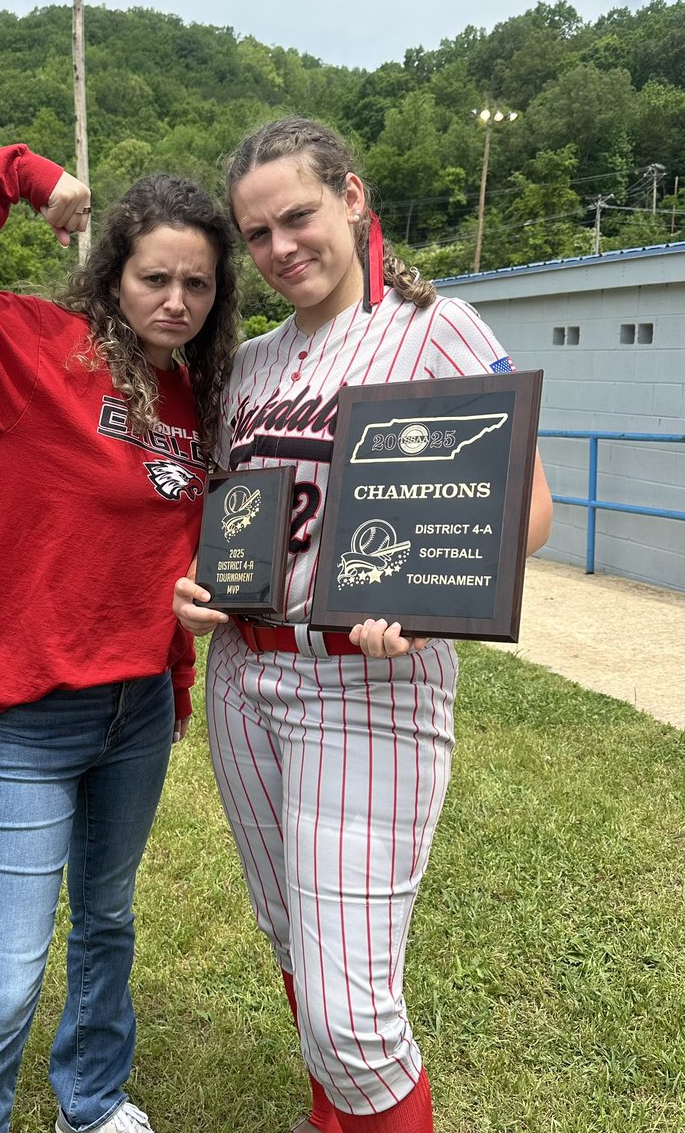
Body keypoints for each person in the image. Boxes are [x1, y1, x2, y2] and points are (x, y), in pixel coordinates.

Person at [173, 117, 553, 1133]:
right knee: (295, 939)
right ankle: (328, 1121)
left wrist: (434, 599)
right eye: (256, 234)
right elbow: (237, 518)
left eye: (297, 215)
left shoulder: (435, 326)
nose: (280, 246)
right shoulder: (249, 365)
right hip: (247, 681)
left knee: (353, 1019)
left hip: (368, 687)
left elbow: (529, 509)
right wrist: (196, 588)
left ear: (351, 197)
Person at [0, 143, 239, 1133]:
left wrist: (181, 657)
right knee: (4, 985)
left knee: (107, 922)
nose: (177, 300)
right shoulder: (34, 348)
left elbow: (166, 554)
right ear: (111, 273)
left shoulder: (195, 400)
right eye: (155, 277)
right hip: (27, 715)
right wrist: (19, 175)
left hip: (136, 713)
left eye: (198, 283)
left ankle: (92, 1099)